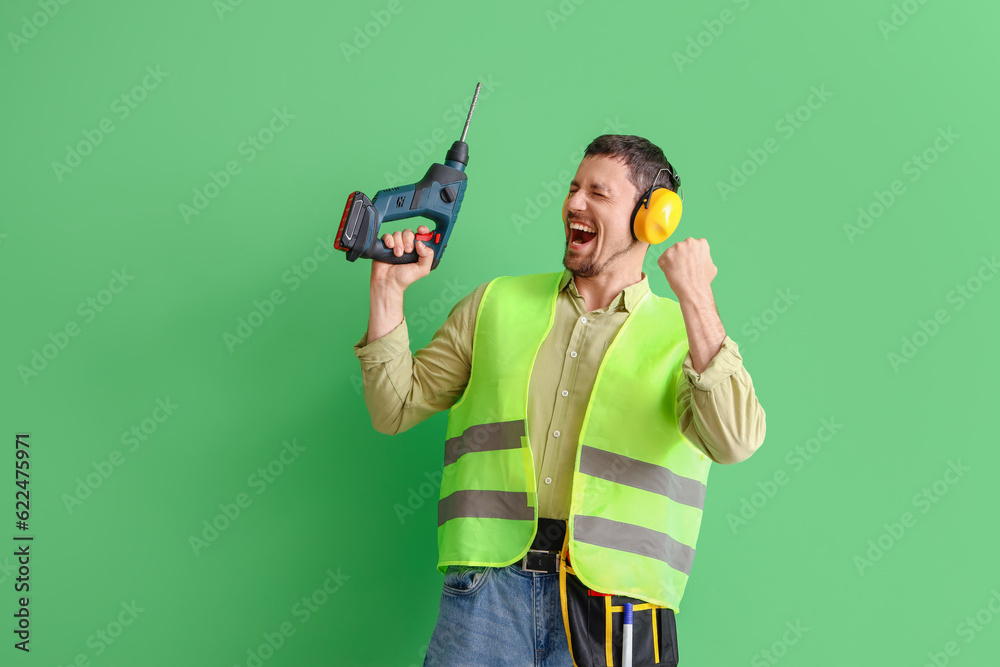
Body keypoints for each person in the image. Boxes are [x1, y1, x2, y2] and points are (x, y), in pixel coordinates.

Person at [354, 134, 766, 666]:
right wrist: (387, 292)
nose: (574, 203)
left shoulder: (689, 336)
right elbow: (393, 409)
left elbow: (733, 441)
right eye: (573, 188)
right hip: (486, 593)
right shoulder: (495, 303)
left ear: (652, 218)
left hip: (619, 609)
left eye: (598, 193)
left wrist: (699, 299)